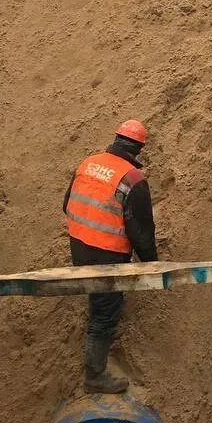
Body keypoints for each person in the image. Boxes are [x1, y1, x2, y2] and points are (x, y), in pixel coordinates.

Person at [64, 119, 158, 394]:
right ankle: (95, 376)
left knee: (98, 299)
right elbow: (141, 231)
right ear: (139, 148)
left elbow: (65, 204)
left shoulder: (88, 164)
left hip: (79, 247)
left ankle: (96, 335)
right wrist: (152, 263)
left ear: (115, 139)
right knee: (105, 313)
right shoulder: (132, 179)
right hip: (108, 255)